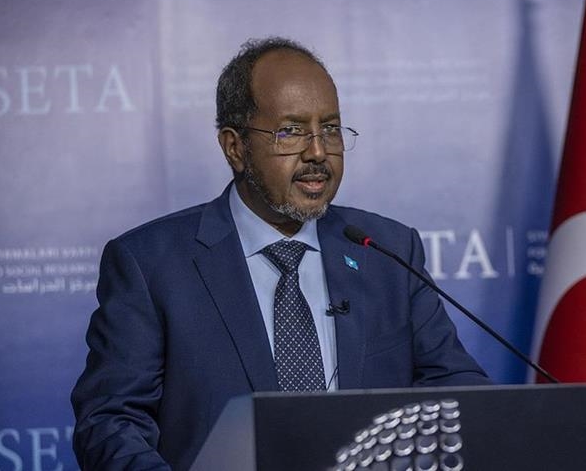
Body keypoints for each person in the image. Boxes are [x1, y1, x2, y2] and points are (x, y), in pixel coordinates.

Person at [71, 37, 490, 471]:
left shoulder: (387, 251)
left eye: (330, 129)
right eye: (291, 131)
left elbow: (456, 387)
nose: (318, 152)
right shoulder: (150, 264)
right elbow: (110, 422)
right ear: (235, 147)